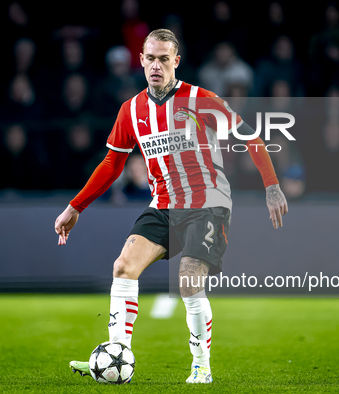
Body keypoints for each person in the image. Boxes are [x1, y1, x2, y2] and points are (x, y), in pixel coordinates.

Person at [54, 29, 288, 384]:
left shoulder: (202, 100)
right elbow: (111, 165)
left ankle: (201, 365)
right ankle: (117, 355)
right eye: (150, 58)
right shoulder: (131, 110)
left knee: (188, 282)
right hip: (163, 205)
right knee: (122, 267)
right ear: (142, 61)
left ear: (176, 61)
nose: (155, 65)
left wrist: (272, 186)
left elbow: (250, 137)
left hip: (207, 204)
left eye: (164, 59)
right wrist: (75, 207)